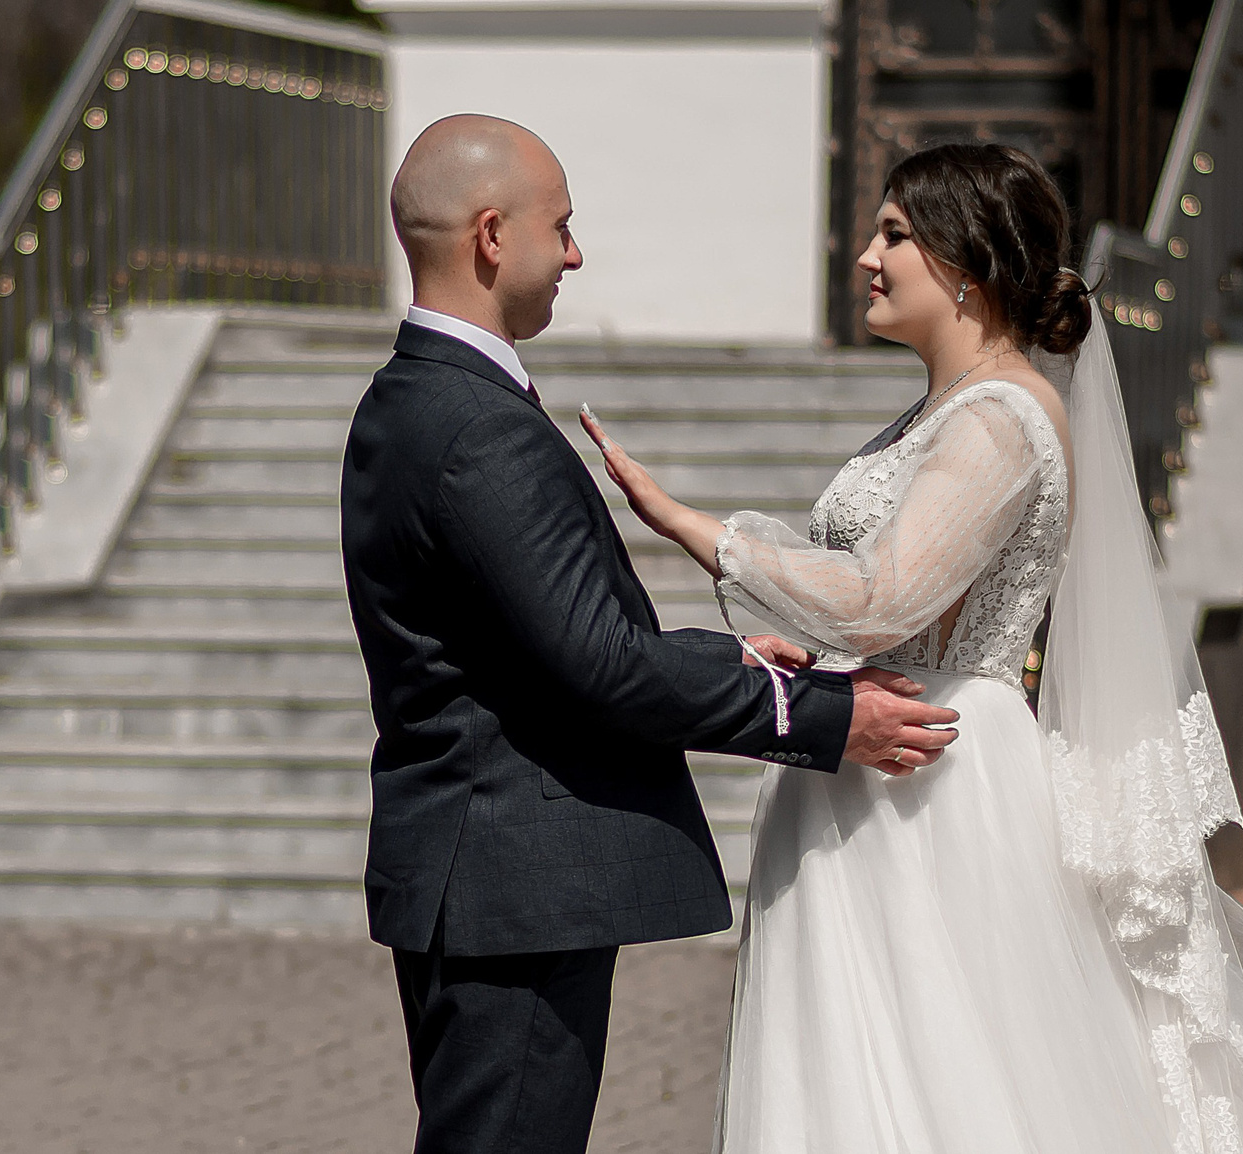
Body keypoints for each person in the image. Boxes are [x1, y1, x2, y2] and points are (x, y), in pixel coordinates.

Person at [583, 141, 1243, 1154]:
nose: (865, 256)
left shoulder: (1002, 421)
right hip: (870, 752)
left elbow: (882, 592)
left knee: (954, 1068)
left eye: (893, 233)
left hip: (936, 777)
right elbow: (882, 602)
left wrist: (692, 523)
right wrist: (787, 639)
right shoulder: (936, 412)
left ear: (968, 261)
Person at [340, 114, 961, 1154]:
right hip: (515, 885)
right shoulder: (479, 424)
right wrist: (820, 714)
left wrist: (730, 653)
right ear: (492, 237)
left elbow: (542, 644)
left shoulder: (407, 398)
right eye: (561, 226)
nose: (574, 253)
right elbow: (601, 665)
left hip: (478, 871)